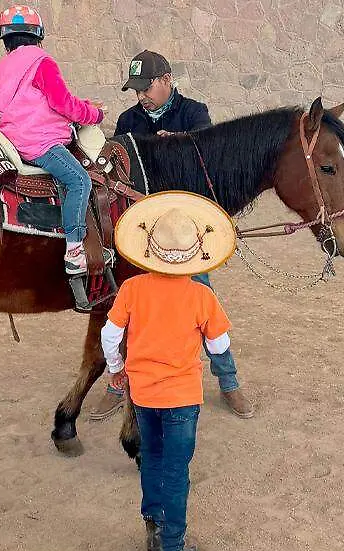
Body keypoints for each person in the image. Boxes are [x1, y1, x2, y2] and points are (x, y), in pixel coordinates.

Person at [91, 50, 254, 421]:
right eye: (135, 90)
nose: (140, 97)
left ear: (166, 79)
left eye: (146, 88)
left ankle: (228, 381)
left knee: (201, 296)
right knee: (126, 303)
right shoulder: (128, 121)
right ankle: (119, 381)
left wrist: (180, 143)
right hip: (140, 229)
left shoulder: (195, 114)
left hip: (183, 232)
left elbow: (210, 161)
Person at [101, 191, 238, 551]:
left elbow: (111, 336)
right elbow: (219, 343)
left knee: (153, 460)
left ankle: (153, 528)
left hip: (143, 394)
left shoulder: (131, 289)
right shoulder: (202, 295)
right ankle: (173, 548)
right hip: (182, 397)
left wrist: (117, 367)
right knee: (177, 470)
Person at [0, 5, 106, 274]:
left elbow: (34, 103)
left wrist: (82, 104)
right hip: (39, 142)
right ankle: (75, 250)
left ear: (5, 41)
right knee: (79, 179)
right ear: (38, 36)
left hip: (14, 137)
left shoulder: (3, 69)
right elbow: (62, 103)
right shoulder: (41, 62)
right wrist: (94, 114)